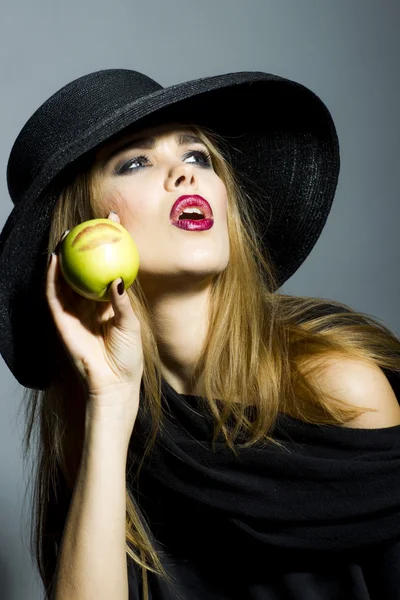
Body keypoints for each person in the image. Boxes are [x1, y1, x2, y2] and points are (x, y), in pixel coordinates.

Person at [0, 69, 400, 600]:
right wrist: (112, 402)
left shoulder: (335, 388)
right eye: (136, 162)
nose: (184, 175)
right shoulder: (96, 432)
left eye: (196, 156)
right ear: (84, 230)